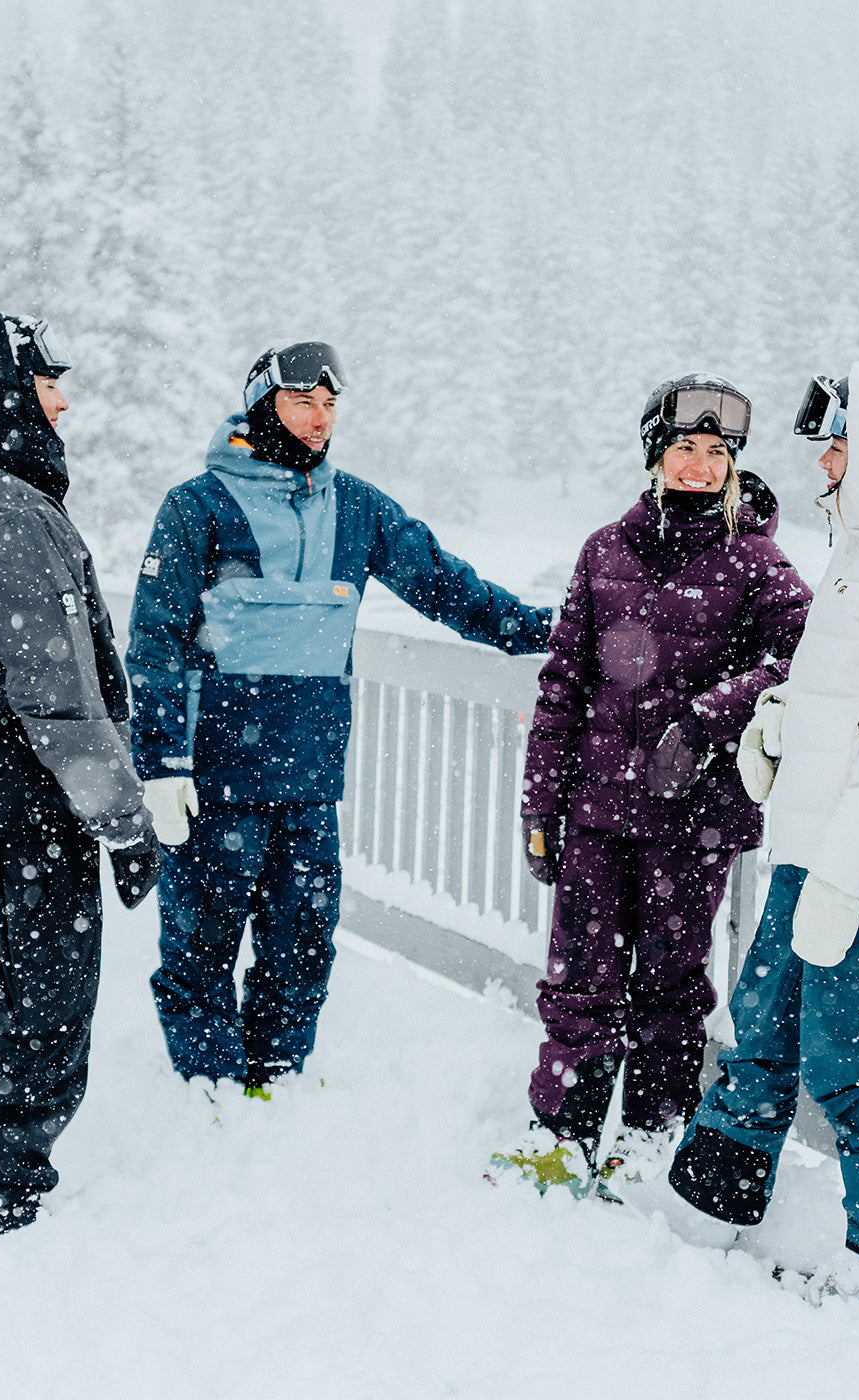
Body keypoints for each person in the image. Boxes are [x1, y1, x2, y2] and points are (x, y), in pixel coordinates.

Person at [127, 341, 552, 1093]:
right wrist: (161, 763)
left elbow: (444, 585)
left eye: (330, 404)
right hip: (213, 784)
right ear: (264, 405)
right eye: (303, 402)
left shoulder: (355, 507)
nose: (321, 420)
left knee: (302, 948)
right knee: (200, 953)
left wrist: (546, 630)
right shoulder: (196, 507)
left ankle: (278, 1085)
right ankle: (210, 1097)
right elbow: (154, 638)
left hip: (308, 782)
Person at [489, 374, 812, 1197]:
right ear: (654, 456)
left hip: (694, 815)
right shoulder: (604, 551)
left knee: (671, 984)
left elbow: (805, 661)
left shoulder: (758, 560)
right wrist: (540, 803)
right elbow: (562, 683)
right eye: (685, 449)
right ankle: (563, 1135)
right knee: (578, 980)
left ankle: (647, 1136)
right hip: (597, 809)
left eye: (716, 453)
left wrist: (711, 716)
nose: (701, 467)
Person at [668, 361, 859, 1297]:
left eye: (840, 443)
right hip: (811, 846)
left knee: (850, 1053)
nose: (823, 461)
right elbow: (855, 694)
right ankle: (710, 1210)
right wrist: (783, 722)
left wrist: (844, 876)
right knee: (765, 1028)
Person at [0, 313, 160, 1234]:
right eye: (45, 383)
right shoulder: (8, 513)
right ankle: (5, 1174)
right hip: (30, 788)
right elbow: (59, 698)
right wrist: (122, 821)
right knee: (43, 985)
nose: (61, 401)